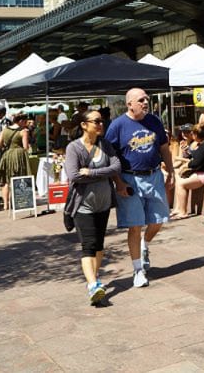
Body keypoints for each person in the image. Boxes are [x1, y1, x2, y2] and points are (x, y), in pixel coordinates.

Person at [106, 87, 174, 289]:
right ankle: (138, 270)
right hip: (130, 180)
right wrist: (118, 182)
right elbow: (110, 156)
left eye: (147, 99)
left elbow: (163, 147)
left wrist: (170, 172)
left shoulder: (154, 121)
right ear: (130, 104)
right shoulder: (117, 126)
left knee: (159, 220)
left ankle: (145, 244)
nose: (145, 102)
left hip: (154, 176)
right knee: (135, 225)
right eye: (141, 100)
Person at [64, 109, 122, 304]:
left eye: (102, 121)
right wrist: (100, 173)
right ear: (84, 125)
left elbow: (116, 167)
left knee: (99, 244)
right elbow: (74, 175)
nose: (100, 124)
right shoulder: (74, 148)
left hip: (104, 203)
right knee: (88, 244)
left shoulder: (105, 145)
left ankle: (95, 280)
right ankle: (92, 285)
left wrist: (91, 172)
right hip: (83, 205)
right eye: (96, 121)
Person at [171, 124, 204, 219]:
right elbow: (196, 156)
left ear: (196, 135)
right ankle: (178, 209)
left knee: (182, 184)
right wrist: (186, 152)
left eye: (192, 134)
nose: (191, 136)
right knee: (179, 180)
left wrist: (186, 165)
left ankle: (183, 212)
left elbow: (195, 163)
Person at [0, 113, 33, 211]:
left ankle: (5, 204)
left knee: (6, 180)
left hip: (7, 155)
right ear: (20, 121)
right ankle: (18, 202)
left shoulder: (5, 130)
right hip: (18, 155)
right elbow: (25, 147)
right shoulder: (23, 131)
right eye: (25, 122)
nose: (26, 124)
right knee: (19, 178)